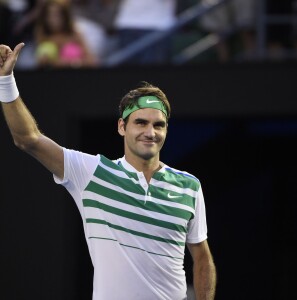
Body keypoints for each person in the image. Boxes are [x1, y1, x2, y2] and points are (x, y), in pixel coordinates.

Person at [0, 42, 217, 300]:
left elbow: (201, 255)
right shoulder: (91, 173)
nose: (151, 132)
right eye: (141, 122)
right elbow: (28, 139)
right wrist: (6, 81)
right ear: (122, 127)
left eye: (159, 125)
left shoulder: (189, 186)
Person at [34, 0, 97, 68]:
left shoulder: (75, 35)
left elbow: (92, 61)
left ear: (65, 16)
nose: (53, 19)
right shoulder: (42, 35)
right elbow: (39, 63)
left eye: (57, 15)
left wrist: (76, 62)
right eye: (49, 15)